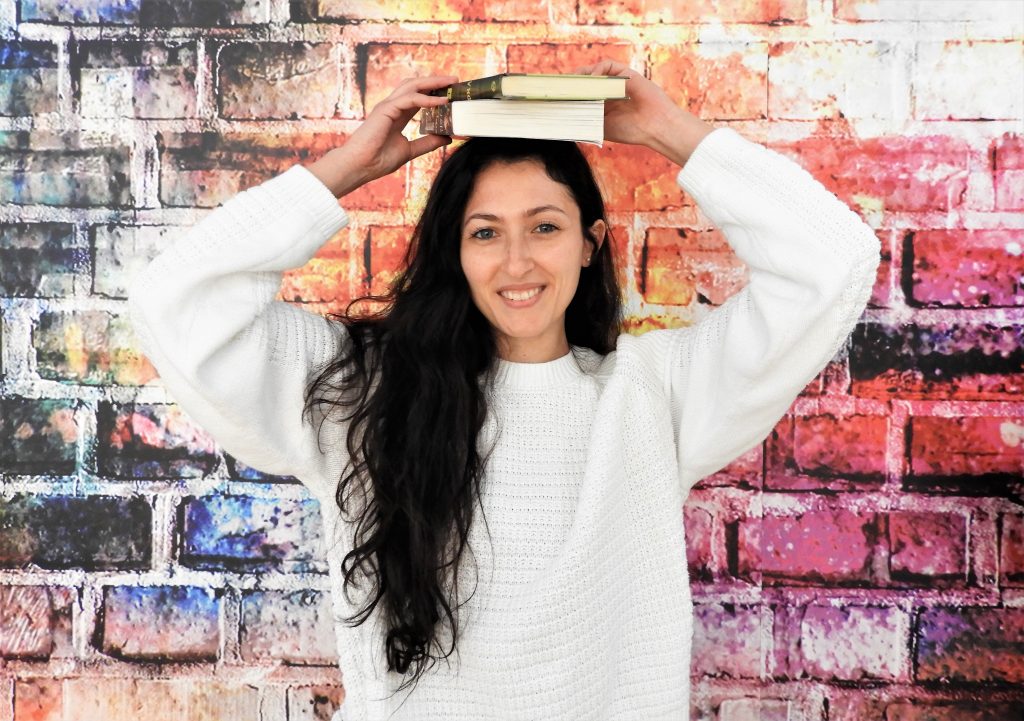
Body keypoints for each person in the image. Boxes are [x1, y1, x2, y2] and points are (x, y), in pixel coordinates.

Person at [128, 59, 881, 720]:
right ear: (456, 253)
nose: (517, 261)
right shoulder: (364, 392)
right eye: (485, 232)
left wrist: (666, 131)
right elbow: (174, 304)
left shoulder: (653, 393)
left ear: (589, 244)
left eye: (545, 227)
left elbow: (834, 261)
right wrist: (349, 167)